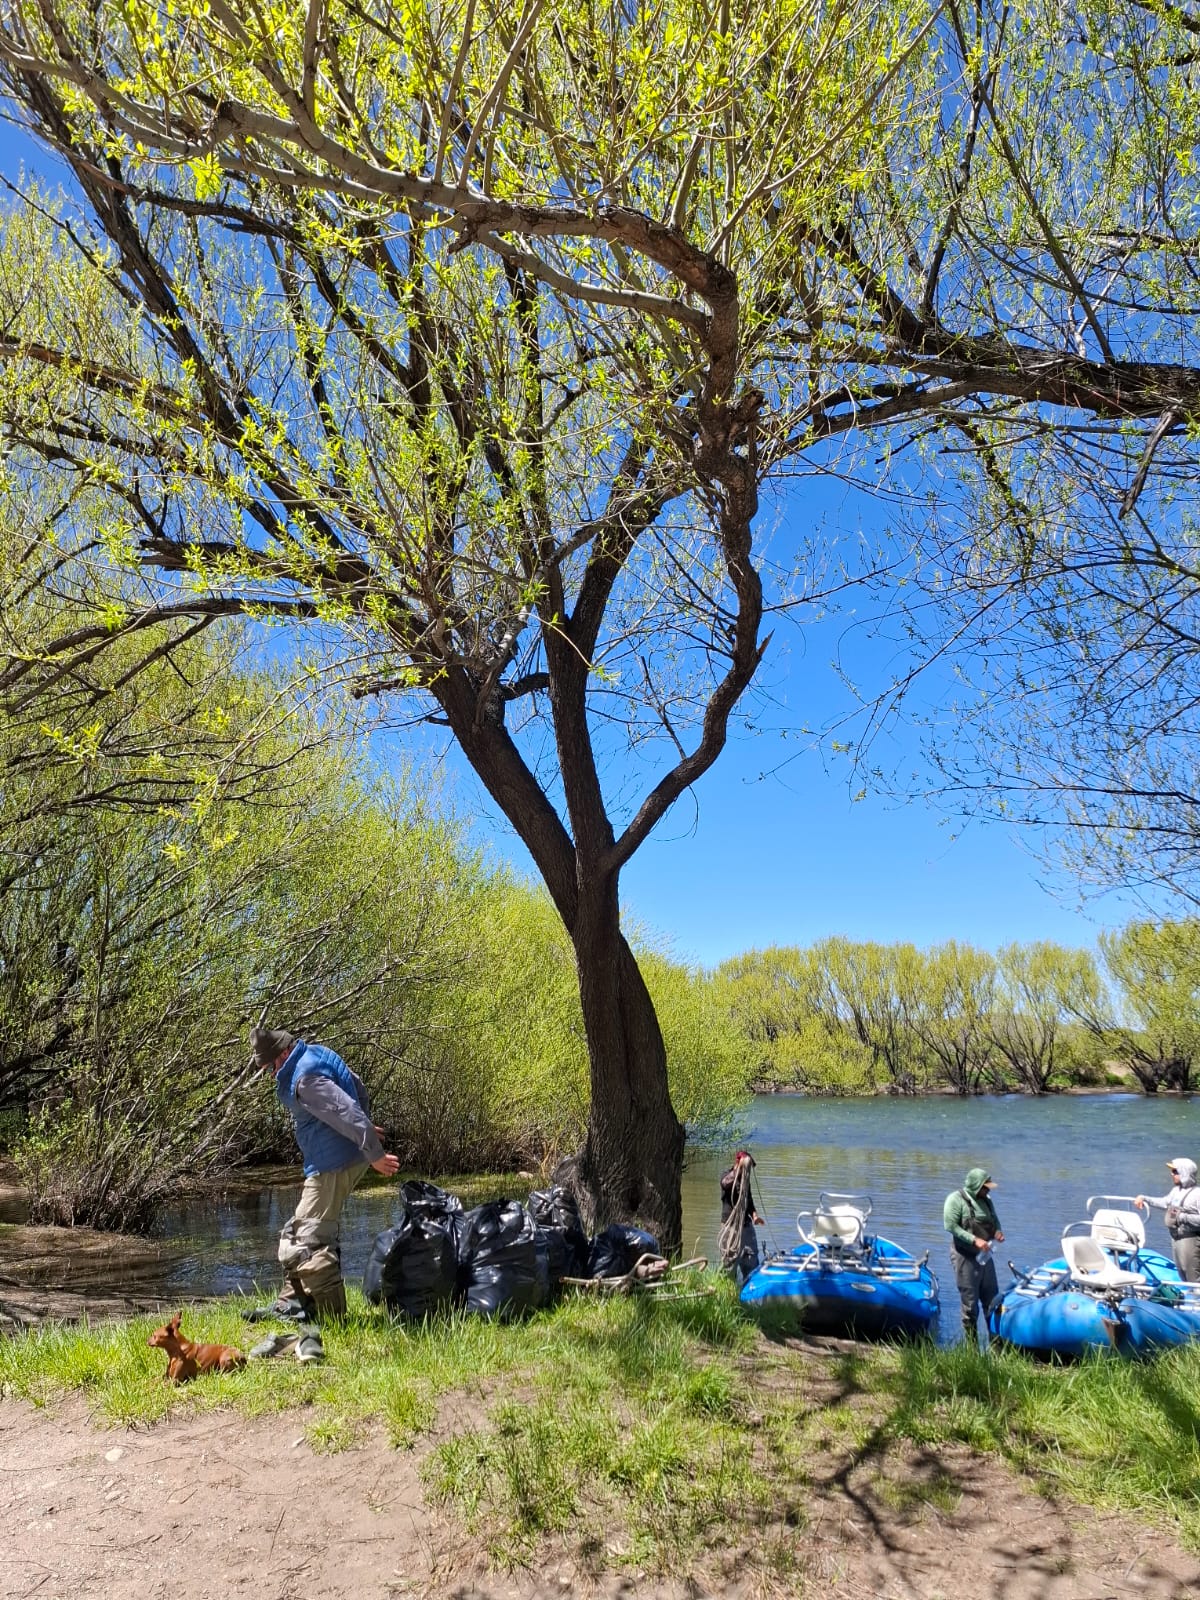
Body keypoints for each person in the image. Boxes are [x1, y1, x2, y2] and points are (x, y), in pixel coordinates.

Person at [251, 1025, 400, 1323]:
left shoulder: (304, 1078)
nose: (271, 1074)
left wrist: (374, 1153)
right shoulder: (315, 1054)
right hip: (334, 1157)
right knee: (301, 1231)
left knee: (309, 1238)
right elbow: (354, 1087)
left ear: (283, 1053)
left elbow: (345, 1110)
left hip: (333, 1163)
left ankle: (332, 1317)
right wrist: (365, 1128)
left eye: (271, 1067)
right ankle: (290, 1305)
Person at [943, 1167, 1004, 1346]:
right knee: (970, 1306)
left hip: (985, 1256)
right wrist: (973, 1240)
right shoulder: (955, 1200)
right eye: (985, 1187)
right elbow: (950, 1226)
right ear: (976, 1186)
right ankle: (972, 1348)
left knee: (993, 1302)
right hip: (964, 1257)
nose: (988, 1191)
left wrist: (998, 1231)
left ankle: (996, 1346)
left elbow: (995, 1219)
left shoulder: (987, 1201)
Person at [1136, 1157, 1200, 1282]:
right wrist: (1145, 1198)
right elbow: (1165, 1203)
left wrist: (1181, 1217)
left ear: (1185, 1173)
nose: (1172, 1174)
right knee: (1182, 1272)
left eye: (1175, 1171)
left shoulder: (1197, 1194)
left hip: (1191, 1239)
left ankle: (1196, 1294)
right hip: (1176, 1238)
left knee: (1193, 1275)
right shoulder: (1176, 1190)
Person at [719, 1150, 766, 1284]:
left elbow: (749, 1200)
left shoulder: (746, 1182)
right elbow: (724, 1183)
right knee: (729, 1262)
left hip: (746, 1225)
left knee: (752, 1258)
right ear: (737, 1162)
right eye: (747, 1167)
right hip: (730, 1227)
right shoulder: (726, 1176)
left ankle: (750, 1288)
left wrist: (755, 1216)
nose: (748, 1170)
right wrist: (739, 1169)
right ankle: (728, 1289)